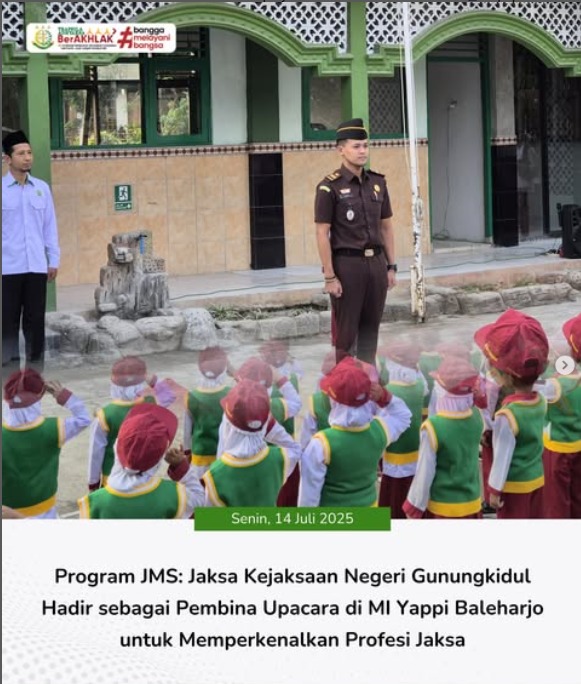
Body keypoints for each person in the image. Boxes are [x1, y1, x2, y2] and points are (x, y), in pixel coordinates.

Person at [314, 118, 396, 364]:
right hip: (348, 266)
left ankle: (368, 378)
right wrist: (330, 277)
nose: (362, 151)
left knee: (371, 331)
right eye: (356, 146)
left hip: (376, 264)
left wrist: (391, 266)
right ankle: (344, 381)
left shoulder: (378, 184)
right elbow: (322, 233)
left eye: (365, 146)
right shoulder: (329, 187)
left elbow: (386, 227)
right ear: (341, 150)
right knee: (347, 335)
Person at [299, 357, 412, 507]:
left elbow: (308, 498)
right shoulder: (380, 430)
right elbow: (404, 416)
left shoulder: (321, 444)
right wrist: (384, 397)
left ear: (334, 400)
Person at [474, 309, 549, 519]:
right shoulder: (540, 400)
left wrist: (494, 489)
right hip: (537, 478)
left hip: (513, 487)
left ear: (502, 375)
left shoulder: (506, 416)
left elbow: (503, 457)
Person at [78, 404, 204, 519]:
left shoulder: (92, 505)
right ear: (159, 460)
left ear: (116, 447)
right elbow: (200, 502)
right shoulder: (173, 495)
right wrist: (181, 467)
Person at [2, 130, 60, 372]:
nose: (27, 158)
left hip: (36, 266)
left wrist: (53, 259)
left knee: (35, 324)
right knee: (7, 325)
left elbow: (50, 226)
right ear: (7, 159)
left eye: (29, 152)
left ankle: (35, 377)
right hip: (7, 268)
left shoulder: (42, 189)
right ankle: (9, 378)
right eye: (21, 153)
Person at [2, 368, 91, 518]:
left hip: (8, 516)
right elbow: (84, 419)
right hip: (46, 513)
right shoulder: (54, 428)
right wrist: (64, 396)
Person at [403, 357, 485, 519]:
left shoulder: (433, 427)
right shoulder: (477, 417)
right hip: (472, 502)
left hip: (443, 507)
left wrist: (414, 505)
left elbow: (425, 472)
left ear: (444, 389)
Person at [202, 380, 302, 507]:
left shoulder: (214, 475)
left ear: (228, 423)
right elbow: (295, 448)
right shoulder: (279, 459)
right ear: (266, 422)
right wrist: (268, 426)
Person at [87, 356, 175, 491]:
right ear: (141, 383)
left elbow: (95, 454)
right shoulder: (151, 404)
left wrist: (93, 483)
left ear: (114, 385)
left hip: (112, 479)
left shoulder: (104, 415)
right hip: (143, 476)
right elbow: (169, 395)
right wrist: (152, 380)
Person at [377, 340, 428, 518]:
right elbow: (424, 387)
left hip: (394, 453)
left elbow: (381, 424)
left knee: (394, 499)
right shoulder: (420, 385)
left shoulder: (388, 391)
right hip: (415, 449)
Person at [538, 313, 581, 518]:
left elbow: (529, 386)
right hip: (579, 445)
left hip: (557, 449)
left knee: (557, 500)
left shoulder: (553, 385)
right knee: (577, 497)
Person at [183, 346, 231, 480]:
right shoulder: (231, 393)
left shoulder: (190, 396)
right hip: (225, 455)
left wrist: (187, 452)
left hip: (200, 455)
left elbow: (187, 432)